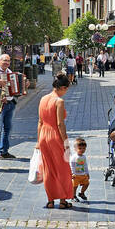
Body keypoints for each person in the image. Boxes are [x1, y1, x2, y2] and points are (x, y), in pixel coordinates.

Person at [38, 76, 74, 209]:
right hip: (54, 136)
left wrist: (38, 141)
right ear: (63, 88)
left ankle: (50, 200)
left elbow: (40, 122)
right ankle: (63, 201)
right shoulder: (59, 101)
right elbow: (60, 123)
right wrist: (65, 141)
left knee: (49, 169)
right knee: (63, 168)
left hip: (43, 135)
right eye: (66, 89)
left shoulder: (43, 99)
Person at [71, 137, 90, 202]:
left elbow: (85, 165)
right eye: (80, 148)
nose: (82, 150)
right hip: (76, 175)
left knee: (87, 184)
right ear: (75, 149)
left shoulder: (84, 157)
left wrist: (87, 173)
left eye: (84, 148)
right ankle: (73, 195)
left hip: (83, 174)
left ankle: (81, 193)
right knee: (74, 186)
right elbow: (72, 165)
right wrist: (72, 173)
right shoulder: (74, 157)